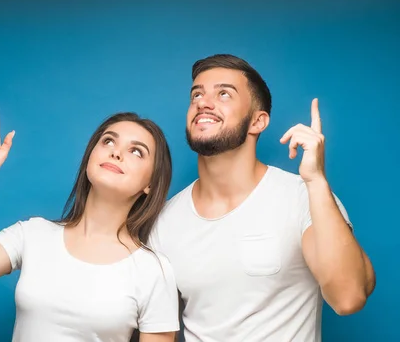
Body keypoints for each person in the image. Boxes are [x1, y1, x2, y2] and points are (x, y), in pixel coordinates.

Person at [149, 54, 376, 342]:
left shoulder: (303, 197)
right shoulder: (165, 222)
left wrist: (316, 180)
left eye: (223, 93)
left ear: (258, 121)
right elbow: (158, 332)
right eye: (197, 94)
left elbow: (348, 297)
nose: (203, 102)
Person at [0, 101, 180, 342]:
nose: (116, 153)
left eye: (136, 151)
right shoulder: (34, 234)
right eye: (108, 141)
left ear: (150, 183)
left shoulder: (153, 271)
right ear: (90, 157)